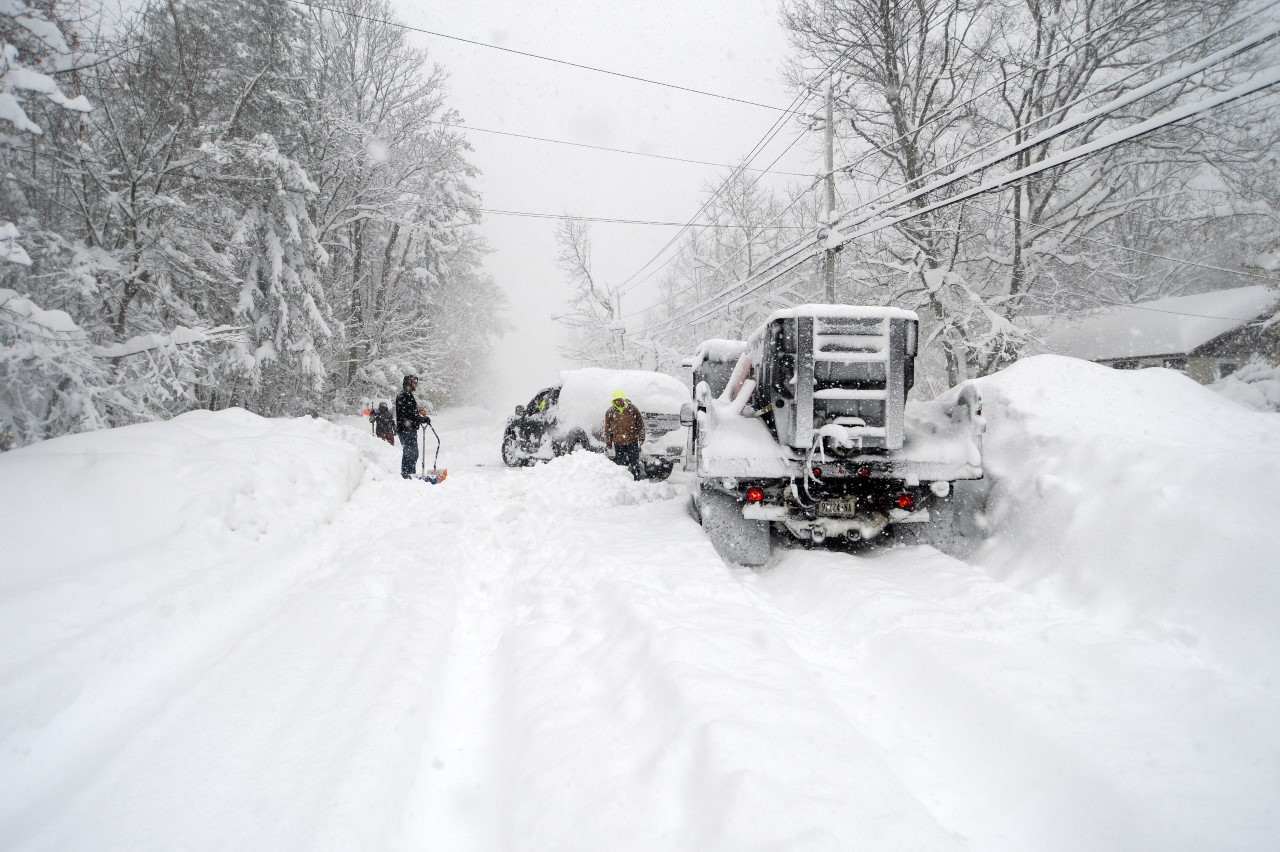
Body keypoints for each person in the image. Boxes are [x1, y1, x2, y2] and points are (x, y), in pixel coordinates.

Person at [395, 374, 432, 479]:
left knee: (410, 453)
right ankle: (408, 476)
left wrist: (419, 417)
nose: (416, 385)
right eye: (414, 383)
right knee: (411, 454)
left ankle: (408, 475)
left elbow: (410, 413)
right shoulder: (405, 395)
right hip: (406, 429)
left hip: (407, 429)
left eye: (416, 383)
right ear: (408, 383)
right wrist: (421, 419)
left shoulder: (406, 394)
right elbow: (409, 414)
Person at [603, 390, 645, 480]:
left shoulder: (632, 409)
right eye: (616, 400)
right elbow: (607, 428)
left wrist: (641, 437)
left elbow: (640, 424)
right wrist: (608, 442)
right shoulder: (610, 412)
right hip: (618, 443)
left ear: (623, 399)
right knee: (620, 464)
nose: (618, 401)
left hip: (632, 441)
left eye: (620, 399)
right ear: (614, 401)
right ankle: (623, 481)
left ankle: (636, 480)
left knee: (634, 463)